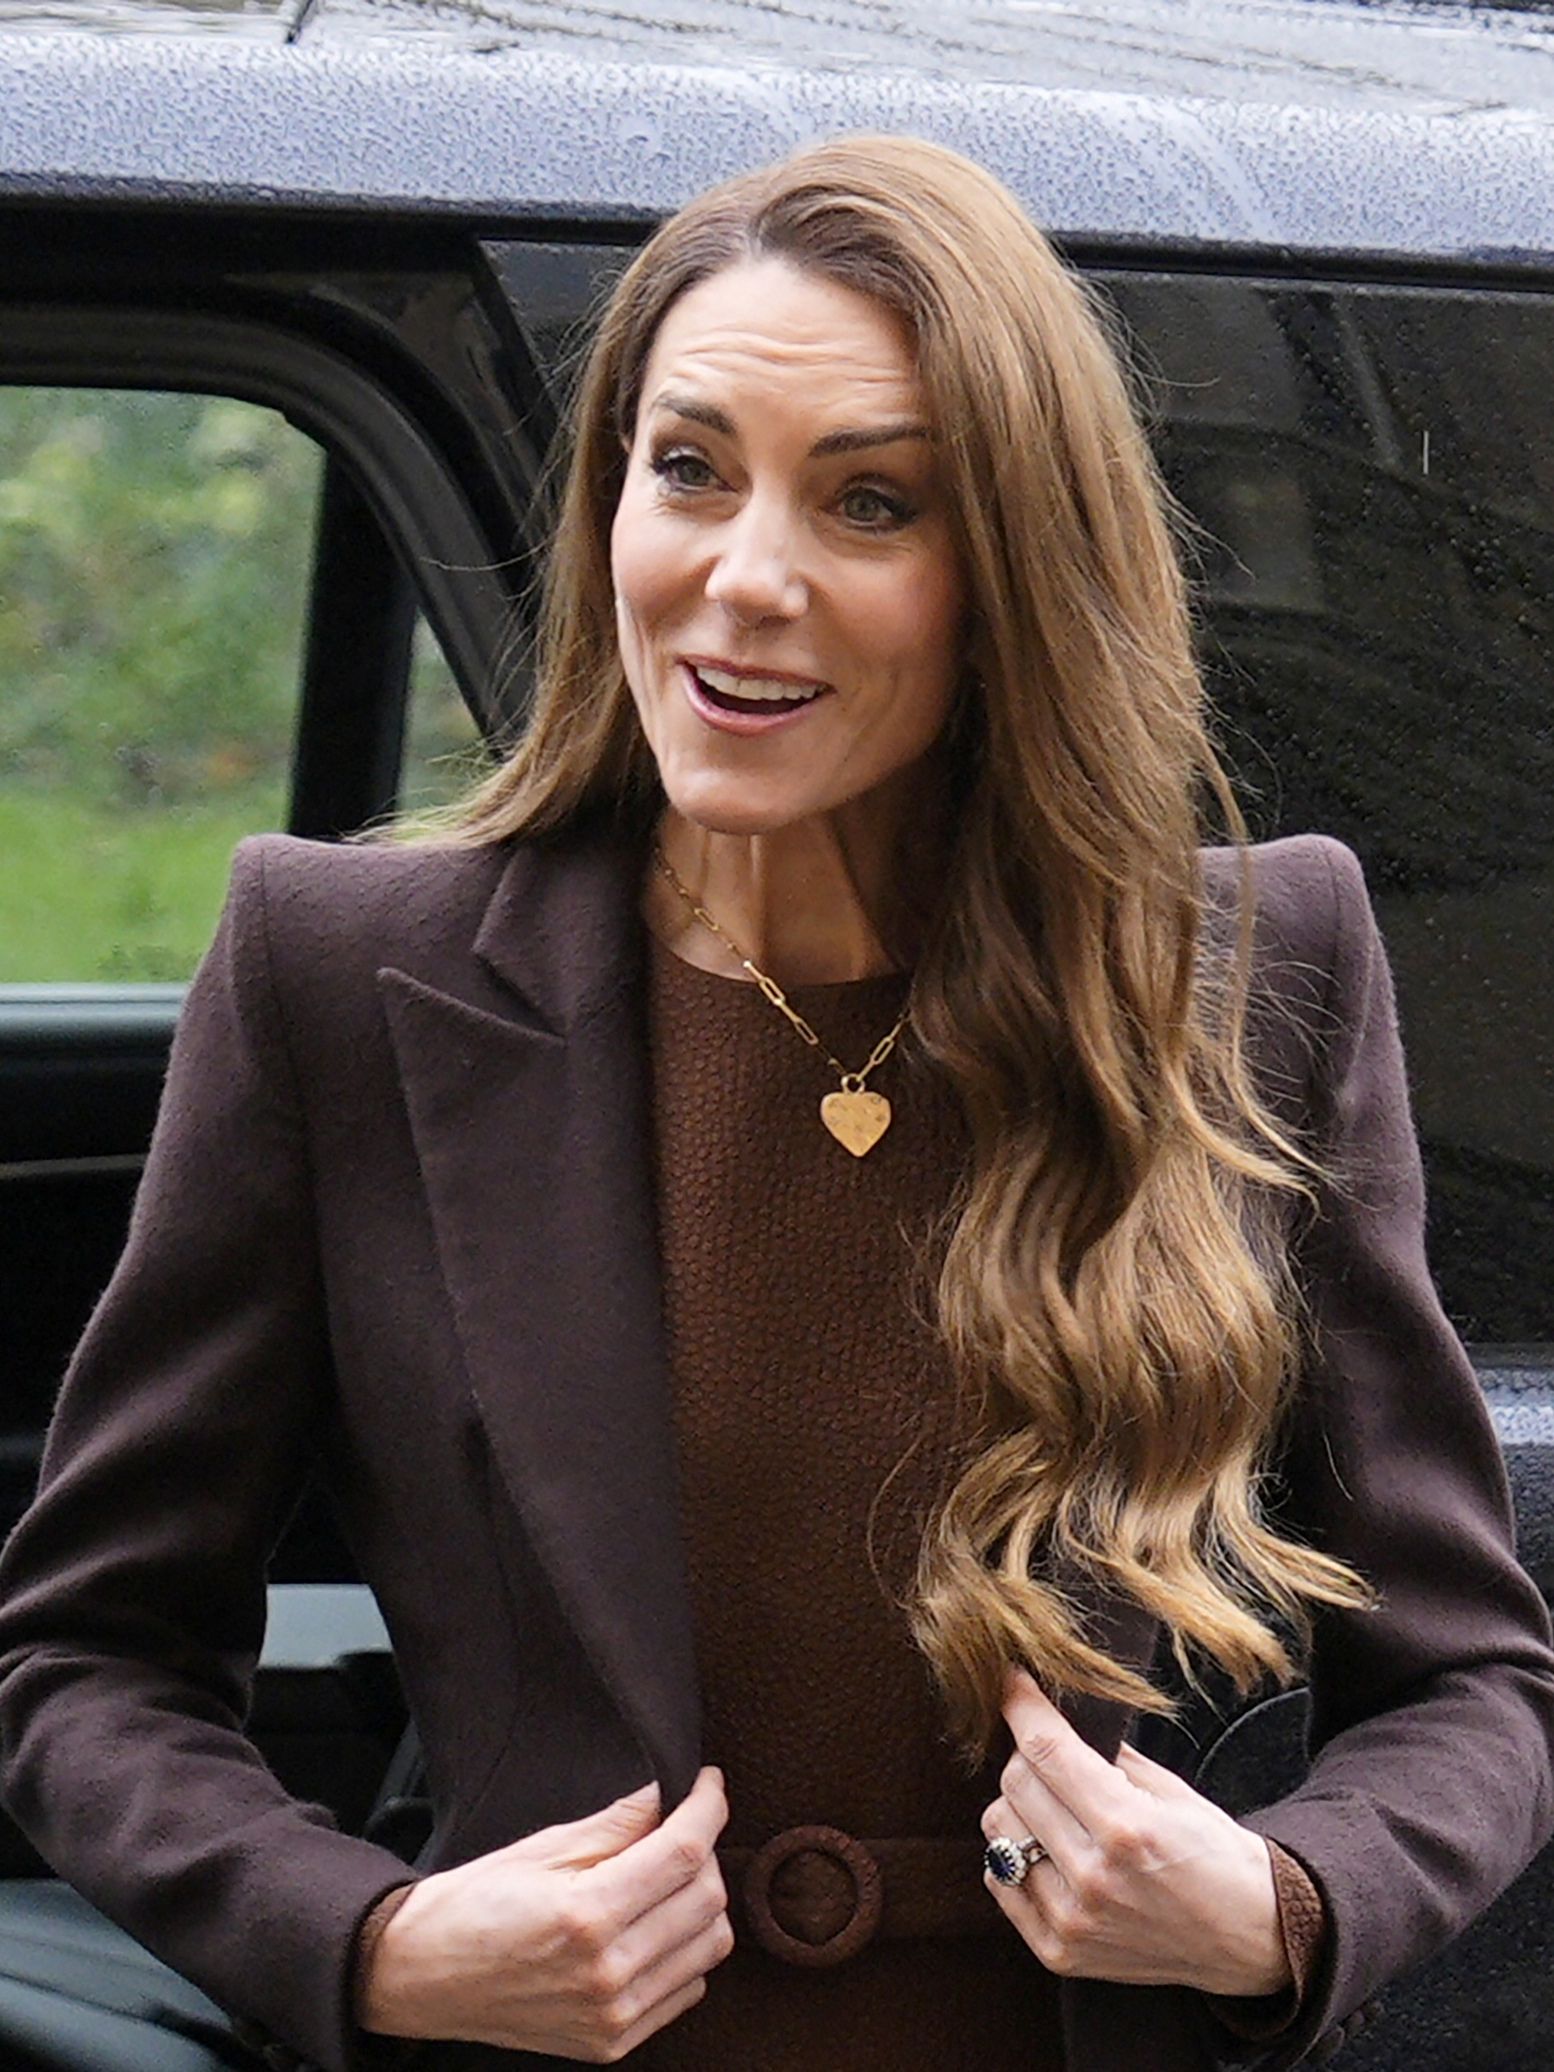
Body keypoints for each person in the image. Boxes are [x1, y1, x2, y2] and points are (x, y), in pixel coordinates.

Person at [0, 132, 1550, 2072]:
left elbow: (1474, 1679)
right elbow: (85, 1661)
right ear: (609, 500)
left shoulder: (1251, 980)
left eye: (870, 500)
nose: (744, 580)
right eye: (689, 468)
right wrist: (375, 1943)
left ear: (1011, 570)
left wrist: (1283, 1904)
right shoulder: (342, 974)